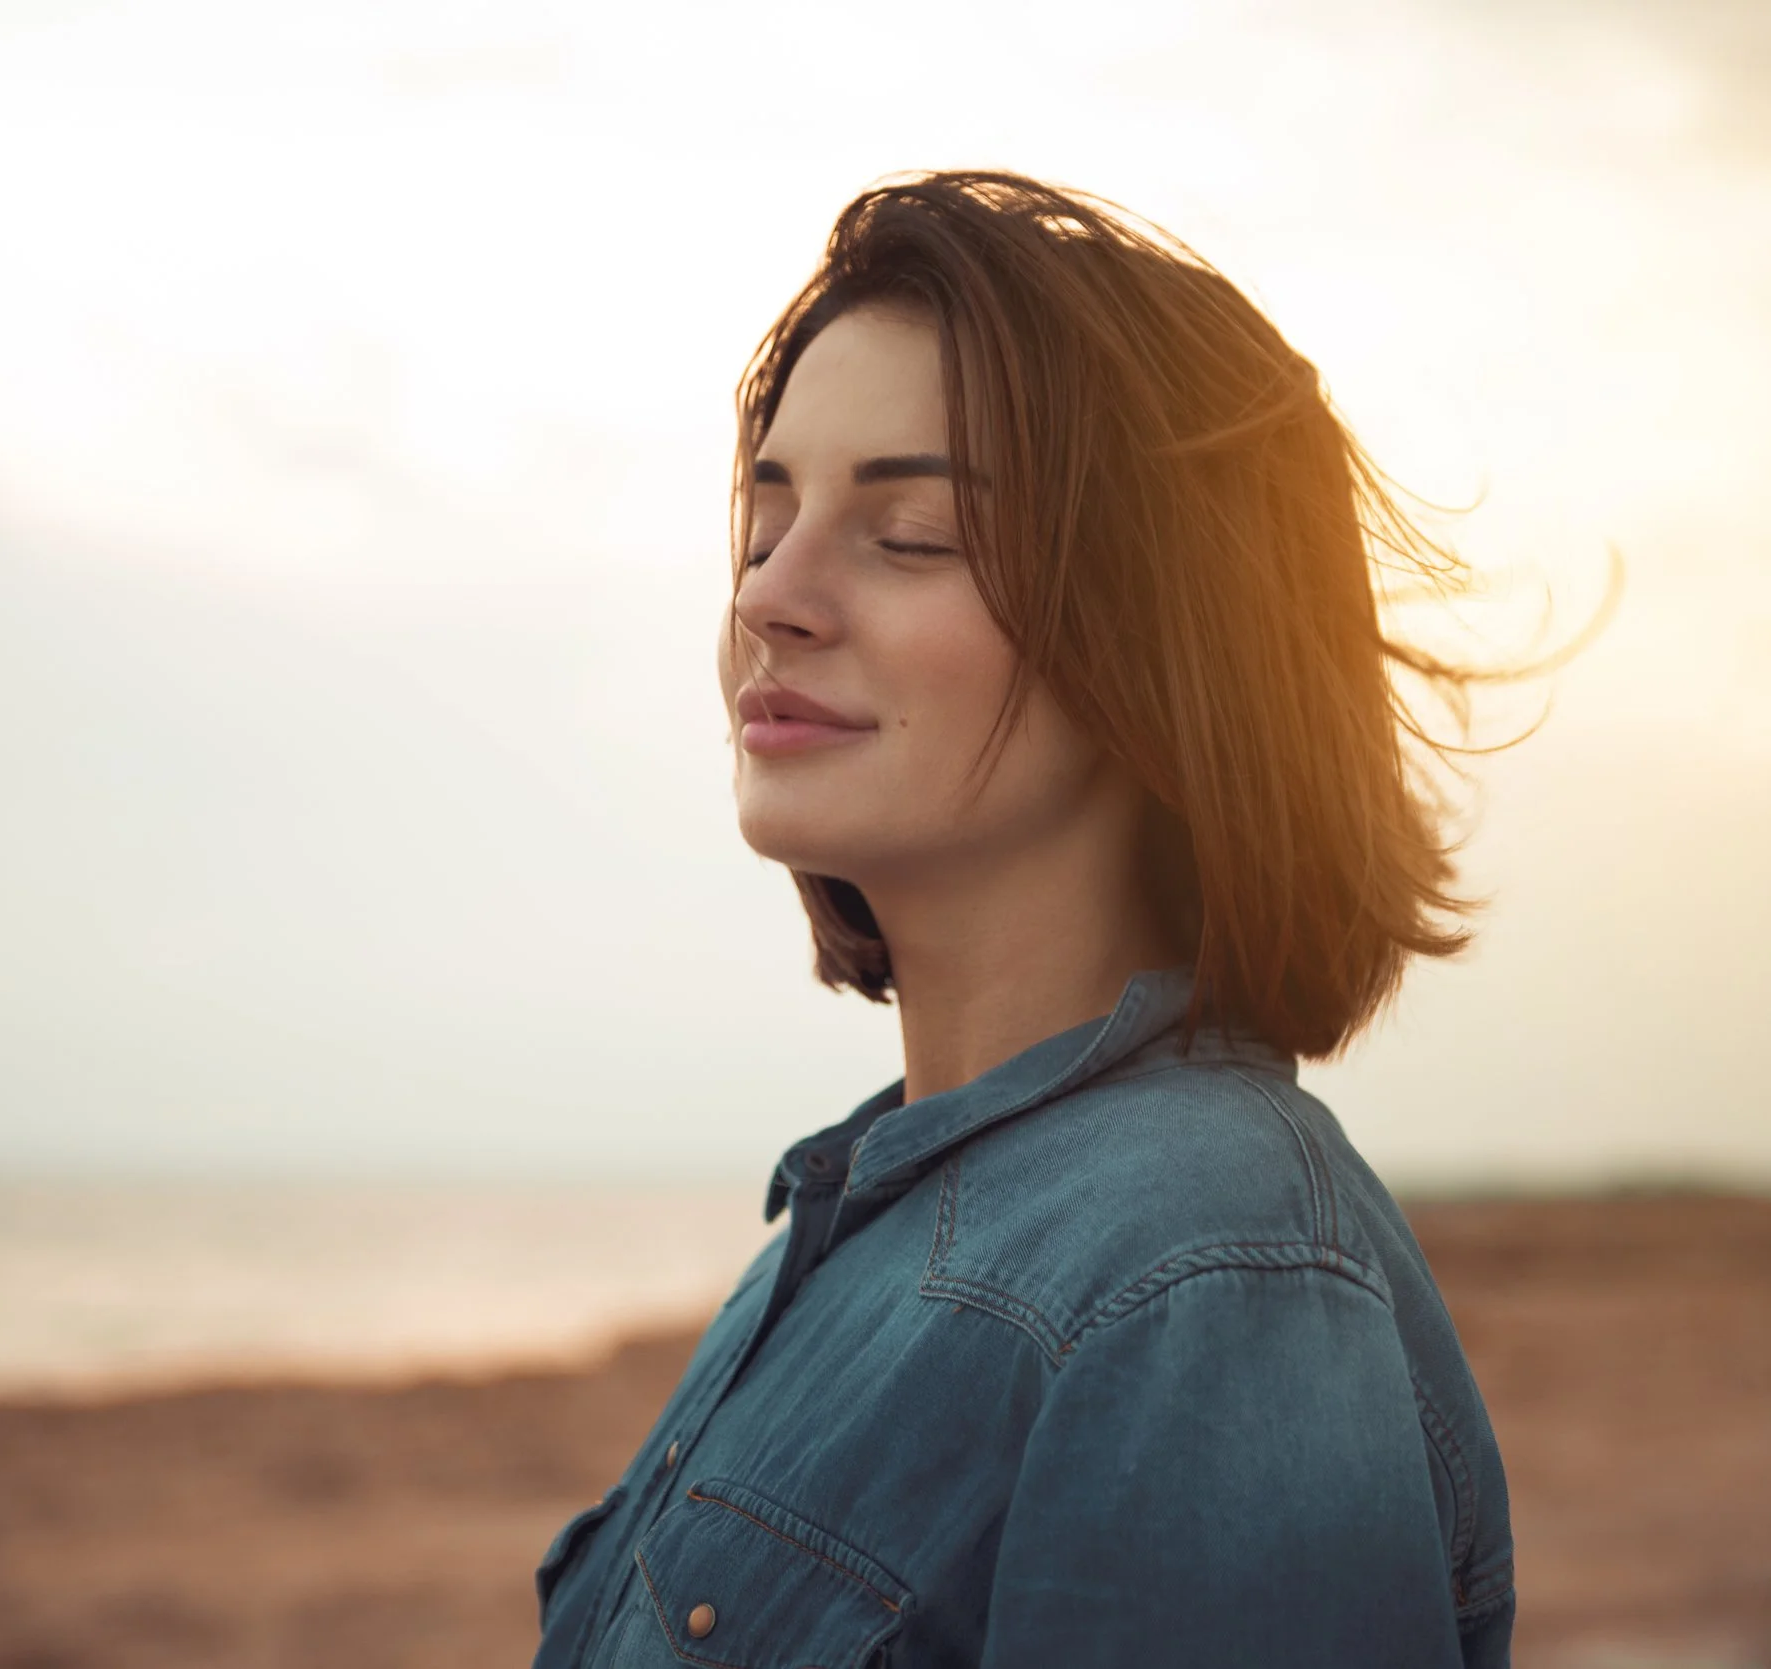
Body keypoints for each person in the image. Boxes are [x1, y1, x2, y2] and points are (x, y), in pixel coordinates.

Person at [532, 169, 1516, 1668]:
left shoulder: (1203, 1279)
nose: (773, 598)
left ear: (1162, 636)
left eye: (909, 531)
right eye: (766, 516)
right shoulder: (856, 1225)